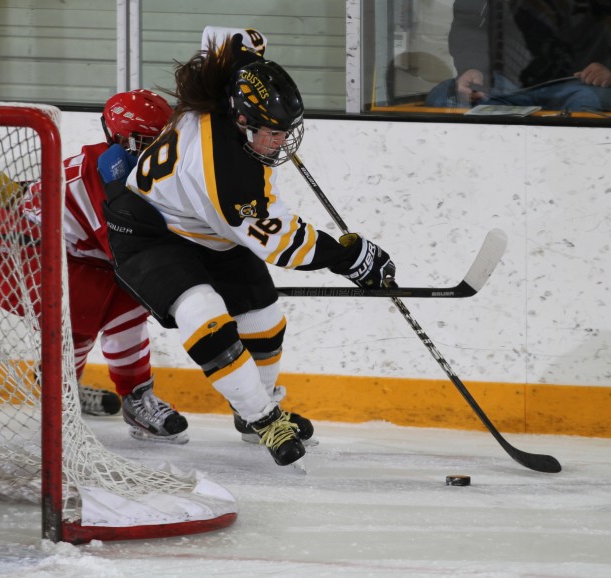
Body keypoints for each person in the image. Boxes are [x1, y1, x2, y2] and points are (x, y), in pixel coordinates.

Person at [102, 31, 396, 467]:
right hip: (147, 228)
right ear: (242, 121)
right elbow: (281, 243)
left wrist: (248, 56)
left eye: (284, 131)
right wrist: (348, 258)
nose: (280, 142)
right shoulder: (228, 174)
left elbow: (225, 38)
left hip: (201, 224)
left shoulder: (231, 88)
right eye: (272, 133)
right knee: (206, 318)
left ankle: (251, 409)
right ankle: (264, 419)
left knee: (264, 317)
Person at [0, 89, 191, 443]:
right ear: (122, 140)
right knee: (96, 310)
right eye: (150, 141)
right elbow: (127, 252)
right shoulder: (101, 180)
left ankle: (115, 395)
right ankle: (65, 397)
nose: (161, 150)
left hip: (70, 255)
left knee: (123, 303)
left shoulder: (130, 168)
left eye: (165, 140)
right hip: (18, 254)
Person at [425, 0, 611, 114]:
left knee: (596, 107)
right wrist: (473, 67)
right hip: (504, 83)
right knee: (444, 97)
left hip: (584, 84)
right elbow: (470, 21)